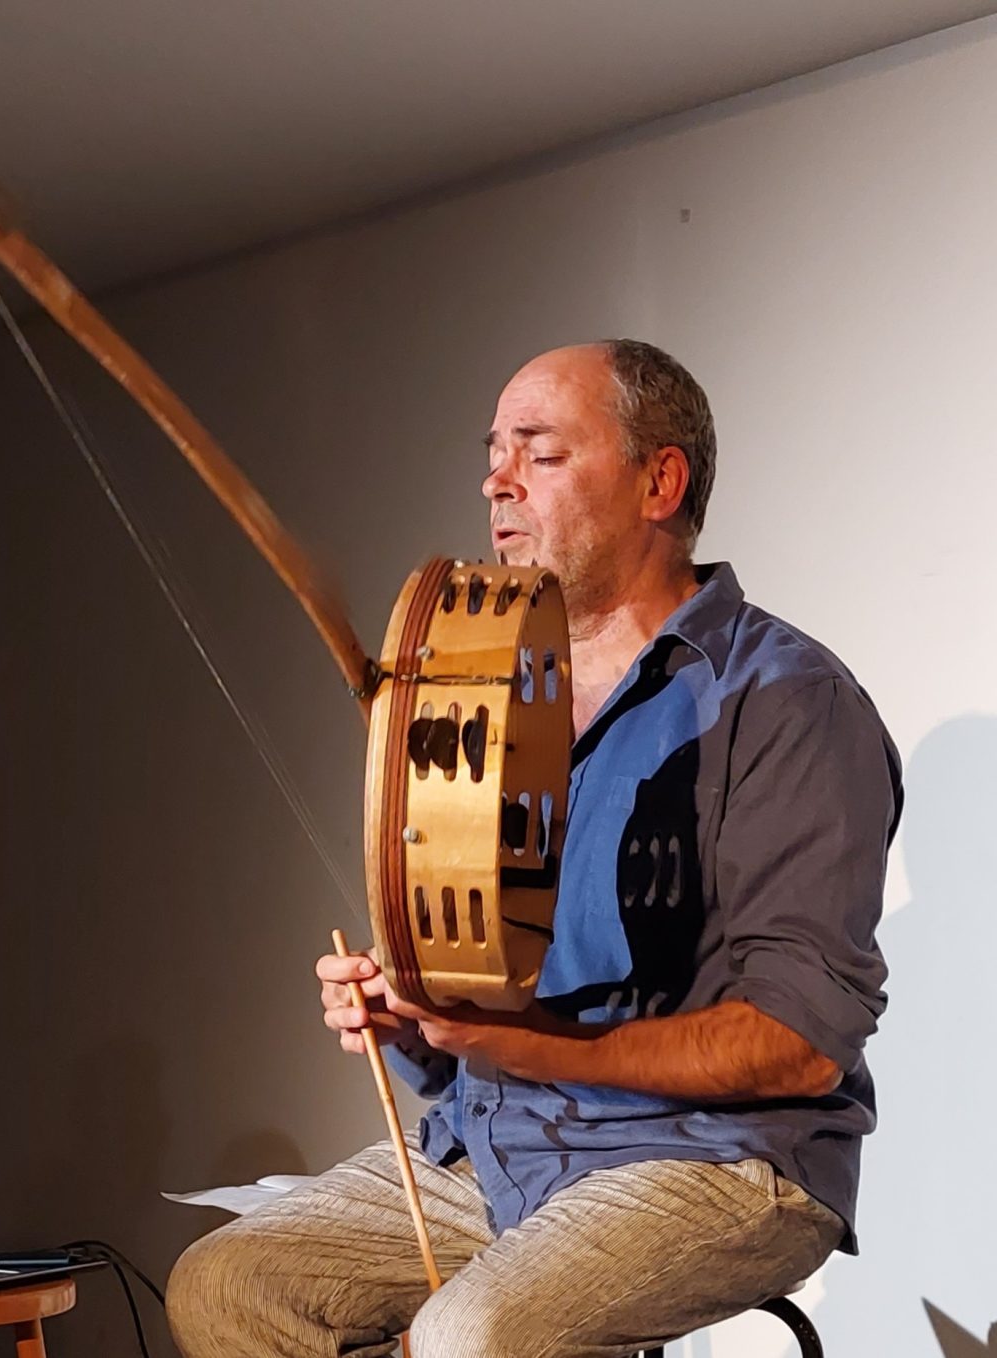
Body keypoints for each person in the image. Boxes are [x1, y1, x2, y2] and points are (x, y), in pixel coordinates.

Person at [165, 340, 901, 1358]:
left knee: (469, 1333)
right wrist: (416, 1011)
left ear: (659, 479)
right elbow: (490, 1018)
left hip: (714, 1160)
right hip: (507, 1144)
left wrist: (519, 1047)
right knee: (228, 1283)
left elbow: (799, 1038)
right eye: (492, 452)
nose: (493, 479)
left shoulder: (784, 702)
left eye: (538, 451)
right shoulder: (487, 699)